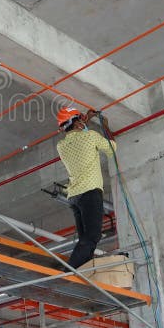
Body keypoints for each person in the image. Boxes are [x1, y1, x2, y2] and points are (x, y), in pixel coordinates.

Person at [55, 106, 115, 269]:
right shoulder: (90, 136)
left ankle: (80, 271)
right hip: (89, 192)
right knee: (92, 236)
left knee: (86, 239)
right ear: (77, 122)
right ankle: (69, 272)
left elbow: (77, 135)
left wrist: (84, 121)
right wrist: (104, 125)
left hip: (75, 196)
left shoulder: (61, 145)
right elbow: (112, 148)